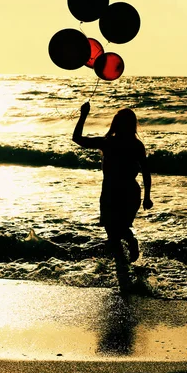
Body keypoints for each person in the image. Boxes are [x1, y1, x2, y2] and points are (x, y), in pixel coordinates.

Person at [72, 101, 153, 285]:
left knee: (114, 233)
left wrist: (84, 115)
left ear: (116, 124)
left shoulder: (108, 143)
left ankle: (126, 262)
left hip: (112, 192)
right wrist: (147, 196)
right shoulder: (135, 145)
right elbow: (146, 172)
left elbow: (77, 138)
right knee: (118, 231)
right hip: (129, 192)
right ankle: (124, 274)